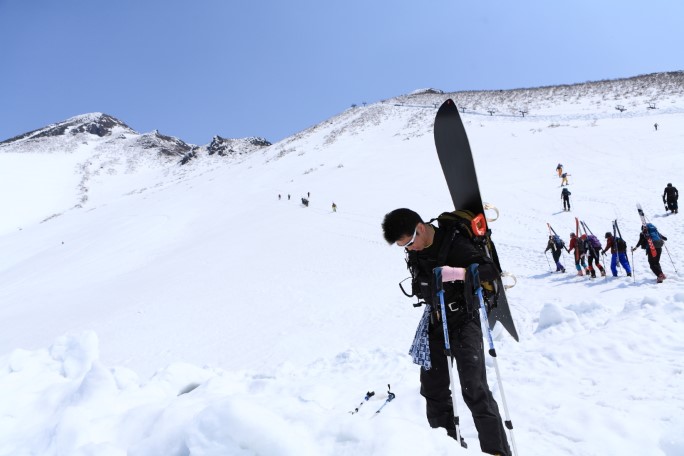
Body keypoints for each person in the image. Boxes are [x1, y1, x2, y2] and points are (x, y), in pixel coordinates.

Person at [382, 208, 511, 456]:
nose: (409, 249)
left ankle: (497, 452)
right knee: (433, 389)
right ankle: (449, 449)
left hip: (464, 321)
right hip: (435, 320)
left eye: (409, 243)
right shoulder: (416, 251)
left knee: (474, 389)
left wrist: (458, 273)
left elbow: (490, 271)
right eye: (403, 247)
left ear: (420, 228)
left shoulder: (454, 243)